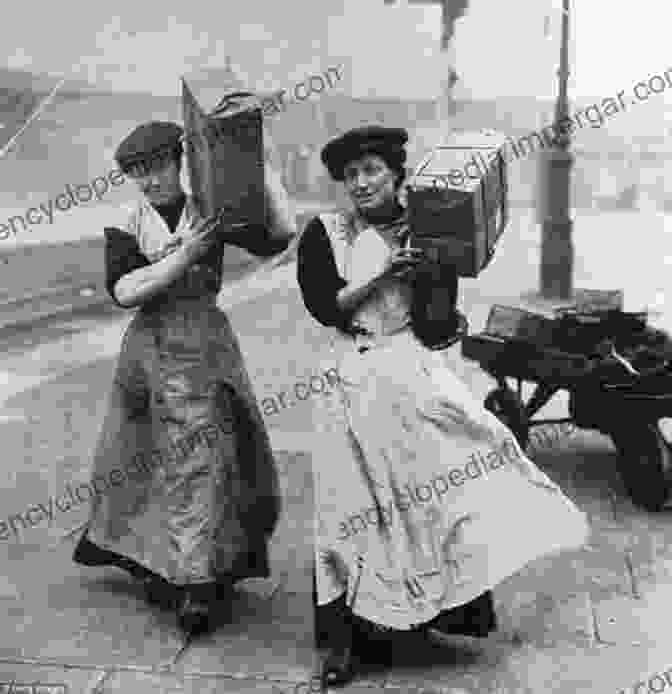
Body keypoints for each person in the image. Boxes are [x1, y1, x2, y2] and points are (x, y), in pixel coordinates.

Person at [296, 125, 589, 687]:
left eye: (372, 171)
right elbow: (324, 307)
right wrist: (382, 273)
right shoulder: (324, 232)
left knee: (428, 495)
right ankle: (345, 642)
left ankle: (419, 616)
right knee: (348, 509)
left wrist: (431, 275)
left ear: (396, 176)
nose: (361, 183)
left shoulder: (429, 227)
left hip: (408, 371)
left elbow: (435, 325)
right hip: (348, 371)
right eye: (351, 174)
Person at [73, 106, 296, 636]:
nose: (149, 180)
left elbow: (282, 233)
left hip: (204, 341)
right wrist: (185, 254)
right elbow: (125, 291)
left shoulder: (212, 207)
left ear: (181, 161)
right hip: (148, 347)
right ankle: (141, 553)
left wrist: (259, 161)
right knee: (138, 453)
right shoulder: (127, 221)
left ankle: (198, 580)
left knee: (208, 456)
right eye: (137, 171)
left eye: (158, 165)